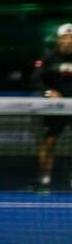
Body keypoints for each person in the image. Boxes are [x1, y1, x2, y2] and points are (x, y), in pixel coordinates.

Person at [33, 23, 72, 192]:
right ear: (58, 40)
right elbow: (35, 80)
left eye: (71, 38)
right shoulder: (49, 57)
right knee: (49, 142)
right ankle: (45, 179)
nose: (69, 41)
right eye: (65, 37)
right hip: (54, 108)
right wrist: (48, 92)